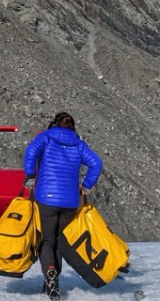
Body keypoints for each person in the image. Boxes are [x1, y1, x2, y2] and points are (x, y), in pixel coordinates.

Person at [23, 112, 102, 300]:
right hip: (70, 202)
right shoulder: (79, 144)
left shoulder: (46, 138)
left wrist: (30, 175)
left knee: (47, 240)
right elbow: (96, 164)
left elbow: (31, 152)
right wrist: (86, 186)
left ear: (54, 123)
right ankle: (52, 280)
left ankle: (49, 271)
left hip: (46, 198)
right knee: (59, 240)